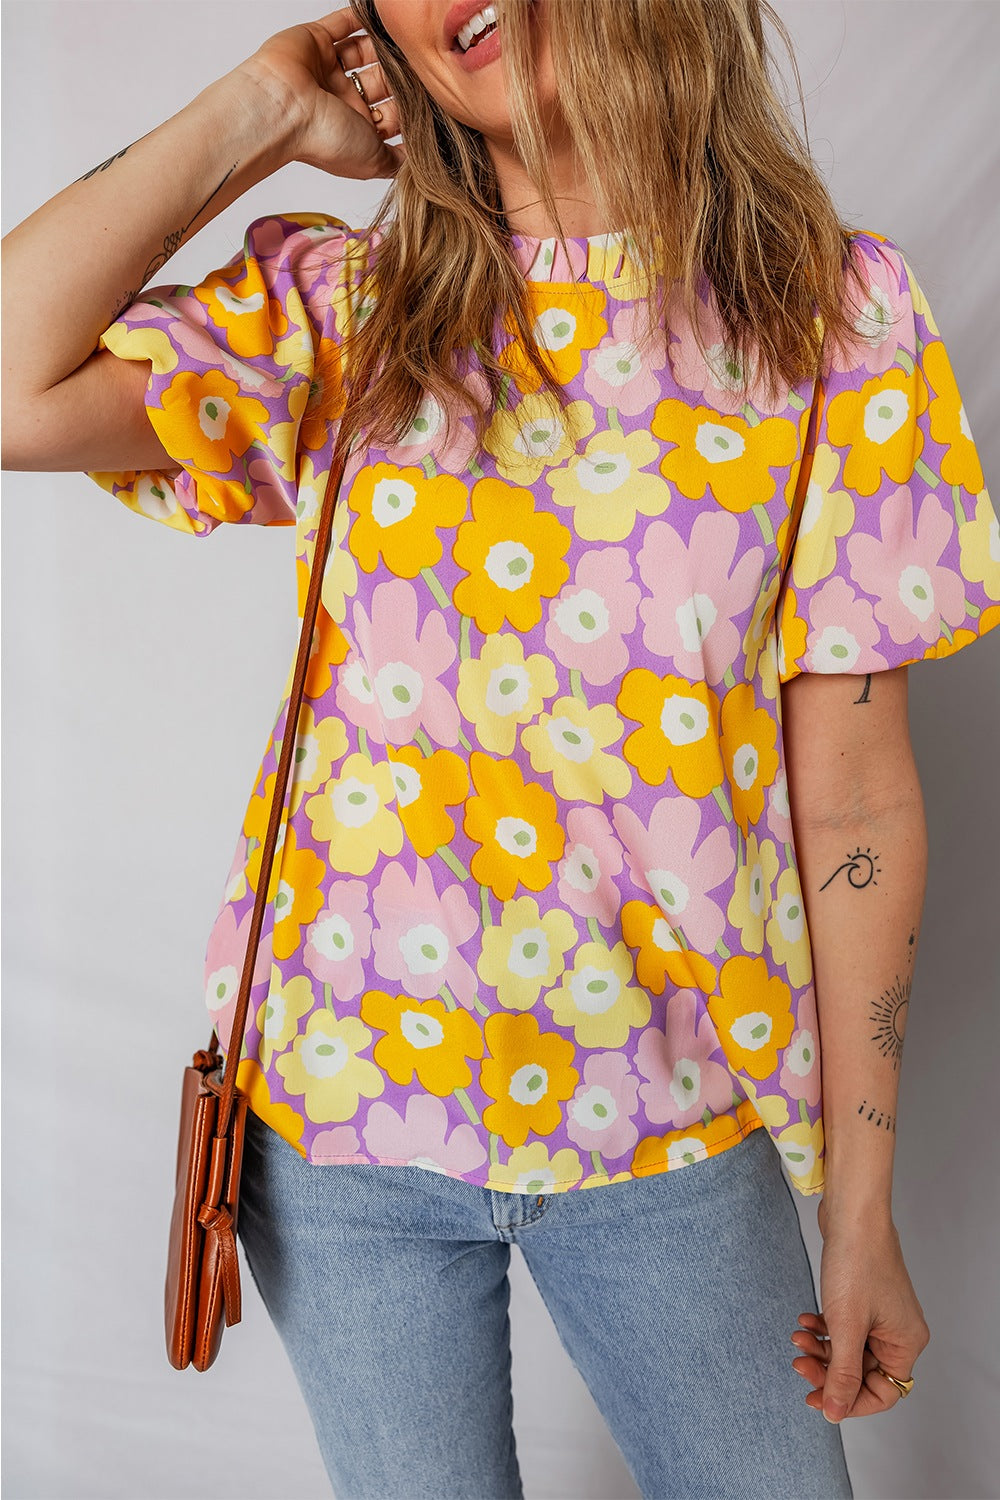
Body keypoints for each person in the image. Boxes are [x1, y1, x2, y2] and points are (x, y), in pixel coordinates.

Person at [3, 1, 996, 1495]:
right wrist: (259, 110)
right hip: (343, 1136)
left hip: (671, 1120)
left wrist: (861, 1210)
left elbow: (854, 797)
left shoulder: (834, 318)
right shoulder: (356, 309)